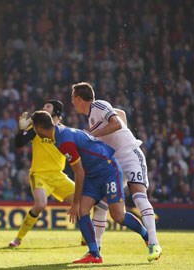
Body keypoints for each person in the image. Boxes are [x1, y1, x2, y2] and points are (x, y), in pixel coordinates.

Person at [30, 110, 149, 264]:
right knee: (82, 211)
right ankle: (95, 254)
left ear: (39, 128)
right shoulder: (58, 131)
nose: (33, 130)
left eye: (33, 127)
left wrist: (75, 202)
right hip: (93, 175)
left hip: (107, 171)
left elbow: (79, 173)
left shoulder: (63, 141)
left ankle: (147, 236)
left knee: (118, 216)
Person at [71, 82, 162, 262]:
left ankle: (154, 242)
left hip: (131, 155)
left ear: (79, 98)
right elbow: (122, 115)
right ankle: (95, 252)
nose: (72, 102)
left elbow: (117, 123)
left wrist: (92, 135)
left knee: (139, 197)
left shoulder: (99, 105)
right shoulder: (91, 119)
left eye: (73, 98)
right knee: (101, 206)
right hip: (114, 165)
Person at [9, 100, 80, 247]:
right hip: (40, 174)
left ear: (57, 112)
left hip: (59, 176)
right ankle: (18, 239)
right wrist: (21, 129)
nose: (44, 108)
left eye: (48, 106)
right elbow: (19, 143)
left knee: (84, 202)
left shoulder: (64, 132)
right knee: (40, 204)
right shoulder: (36, 130)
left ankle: (87, 239)